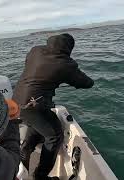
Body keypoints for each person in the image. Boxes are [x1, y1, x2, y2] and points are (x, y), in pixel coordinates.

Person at [13, 33, 94, 180]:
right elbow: (86, 83)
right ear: (68, 49)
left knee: (38, 125)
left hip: (17, 100)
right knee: (54, 136)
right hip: (33, 105)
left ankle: (25, 150)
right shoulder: (65, 64)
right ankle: (41, 176)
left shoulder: (35, 50)